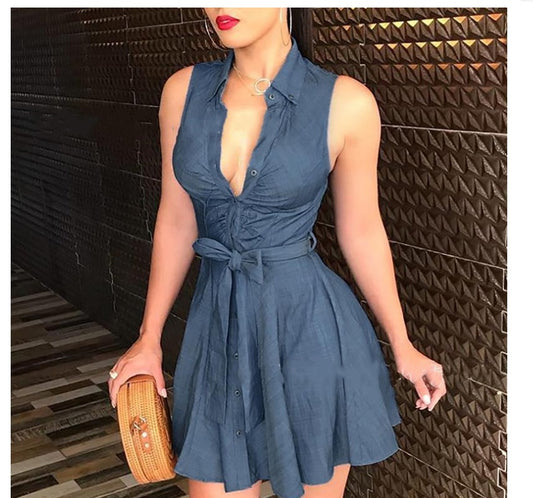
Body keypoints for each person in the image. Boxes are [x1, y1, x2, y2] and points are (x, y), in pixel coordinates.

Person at [107, 7, 447, 498]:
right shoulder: (182, 92)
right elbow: (177, 220)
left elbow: (361, 230)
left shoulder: (347, 103)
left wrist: (403, 344)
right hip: (217, 329)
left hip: (309, 331)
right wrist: (149, 337)